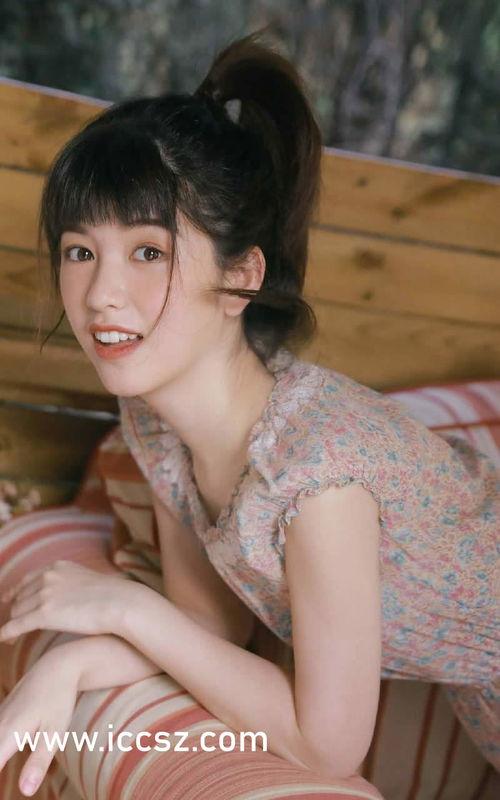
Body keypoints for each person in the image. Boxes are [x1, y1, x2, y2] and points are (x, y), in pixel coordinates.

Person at [0, 28, 498, 797]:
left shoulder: (319, 473)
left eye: (148, 251)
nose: (100, 294)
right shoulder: (156, 425)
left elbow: (326, 747)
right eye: (79, 251)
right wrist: (67, 665)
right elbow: (208, 631)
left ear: (240, 278)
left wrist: (125, 609)